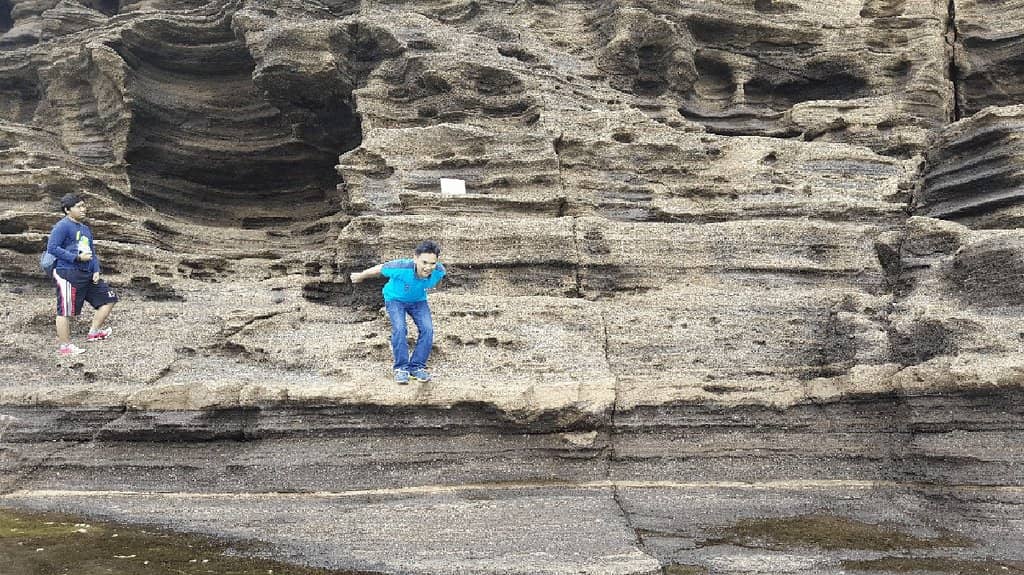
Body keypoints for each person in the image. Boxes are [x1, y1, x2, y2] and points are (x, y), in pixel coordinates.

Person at [350, 240, 446, 384]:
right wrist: (360, 275)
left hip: (418, 301)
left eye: (432, 263)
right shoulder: (401, 267)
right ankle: (401, 368)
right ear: (415, 258)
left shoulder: (439, 271)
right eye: (424, 262)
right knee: (400, 329)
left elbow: (439, 280)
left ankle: (416, 367)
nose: (428, 267)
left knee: (428, 329)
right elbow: (379, 269)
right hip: (395, 300)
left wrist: (435, 286)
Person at [46, 193, 119, 356]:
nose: (83, 209)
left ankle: (94, 332)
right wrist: (76, 258)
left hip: (87, 274)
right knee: (64, 310)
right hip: (67, 273)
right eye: (79, 206)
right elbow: (52, 248)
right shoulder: (62, 226)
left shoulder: (85, 229)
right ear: (67, 210)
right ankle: (65, 347)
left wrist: (96, 269)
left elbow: (91, 251)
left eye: (84, 206)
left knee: (109, 299)